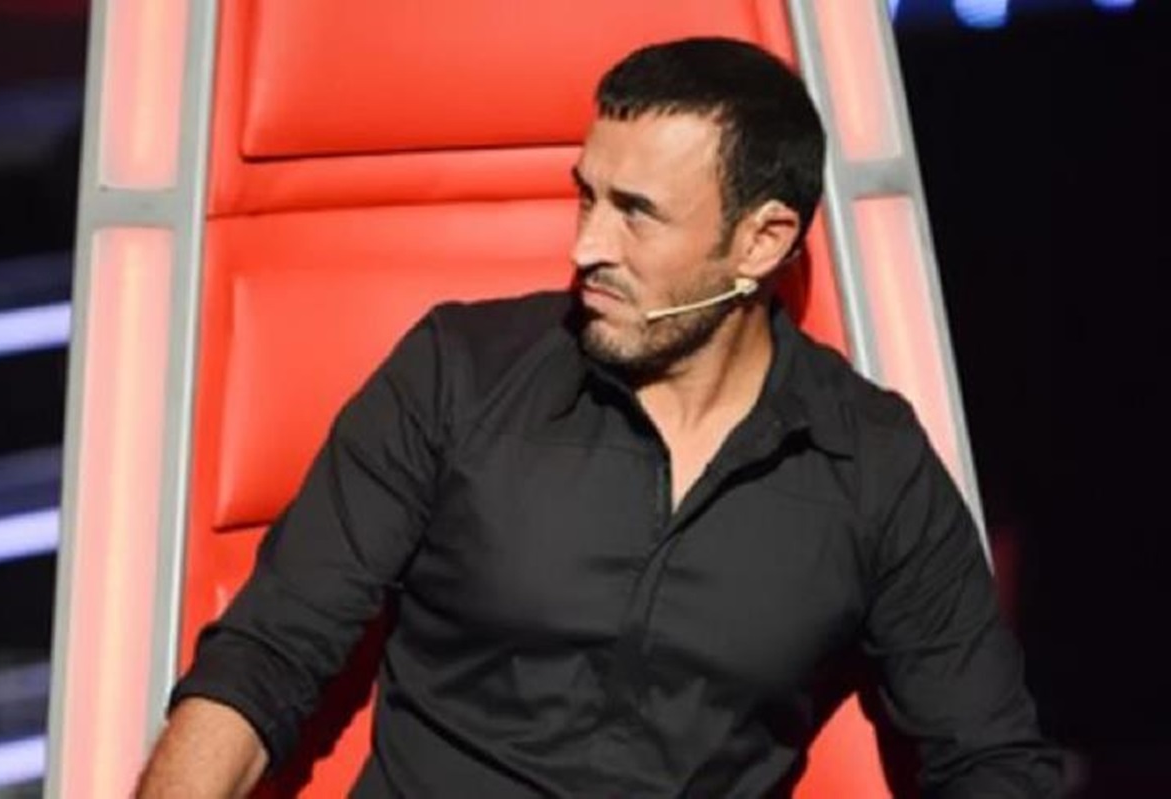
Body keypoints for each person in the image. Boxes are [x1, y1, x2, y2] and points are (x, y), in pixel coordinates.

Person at [138, 37, 1061, 797]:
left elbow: (987, 759)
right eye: (587, 195)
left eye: (636, 213)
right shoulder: (456, 372)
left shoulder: (874, 465)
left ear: (762, 241)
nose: (586, 245)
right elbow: (268, 656)